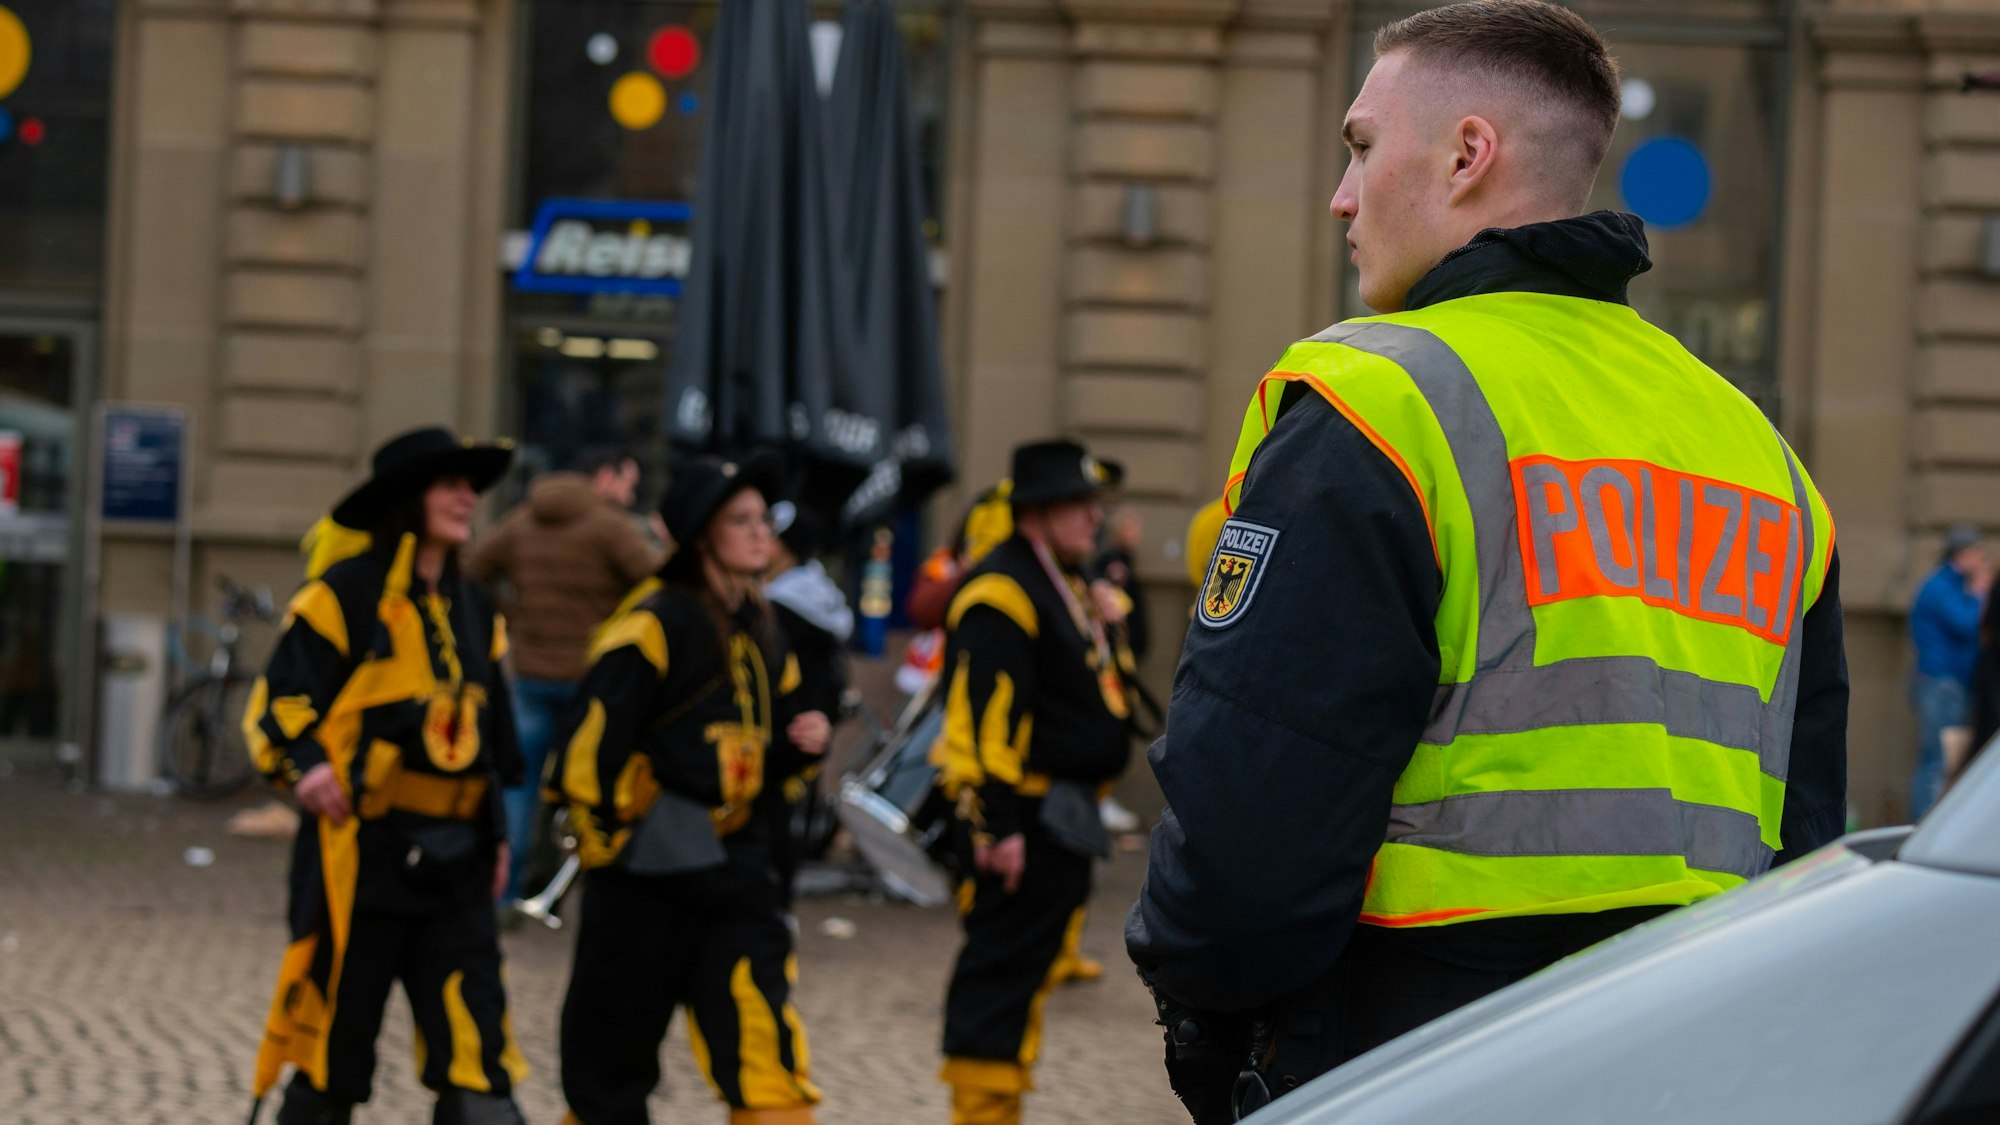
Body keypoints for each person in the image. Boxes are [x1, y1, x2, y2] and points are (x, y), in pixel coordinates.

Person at [1125, 3, 1850, 1120]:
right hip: (1688, 1056)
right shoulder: (1757, 453)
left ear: (1466, 155)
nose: (1340, 196)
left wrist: (1217, 1038)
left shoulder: (1376, 403)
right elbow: (1807, 838)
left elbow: (1250, 827)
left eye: (1361, 148)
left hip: (1415, 1049)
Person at [242, 426, 530, 1125]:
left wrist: (496, 838)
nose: (468, 497)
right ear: (407, 497)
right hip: (358, 860)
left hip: (457, 868)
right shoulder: (342, 595)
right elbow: (277, 707)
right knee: (330, 1063)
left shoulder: (477, 606)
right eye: (448, 483)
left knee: (479, 1067)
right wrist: (307, 769)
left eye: (472, 485)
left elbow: (491, 743)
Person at [549, 452, 831, 1125]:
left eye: (764, 519)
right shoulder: (651, 622)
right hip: (646, 879)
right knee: (609, 1071)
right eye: (741, 520)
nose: (762, 532)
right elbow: (587, 748)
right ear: (703, 533)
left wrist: (803, 741)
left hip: (735, 876)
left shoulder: (764, 629)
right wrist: (608, 844)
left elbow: (776, 742)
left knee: (765, 1058)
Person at [934, 439, 1137, 1125]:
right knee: (999, 981)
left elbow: (1105, 697)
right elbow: (978, 723)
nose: (1094, 518)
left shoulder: (1062, 583)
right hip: (1024, 816)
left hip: (1057, 816)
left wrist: (1114, 629)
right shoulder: (1002, 590)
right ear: (1038, 511)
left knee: (1023, 980)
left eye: (1095, 504)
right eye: (1079, 504)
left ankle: (1001, 1109)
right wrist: (995, 824)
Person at [464, 448, 666, 904]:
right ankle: (586, 893)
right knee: (591, 789)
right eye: (628, 483)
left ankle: (504, 896)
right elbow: (659, 581)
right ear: (605, 477)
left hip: (531, 674)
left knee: (519, 787)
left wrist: (511, 613)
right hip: (591, 680)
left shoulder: (522, 519)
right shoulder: (610, 526)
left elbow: (472, 568)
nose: (630, 495)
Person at [765, 499, 855, 887]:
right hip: (815, 713)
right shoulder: (817, 591)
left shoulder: (784, 603)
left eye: (769, 531)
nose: (760, 537)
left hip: (797, 718)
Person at [1908, 523, 1988, 818]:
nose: (1981, 562)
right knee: (1937, 762)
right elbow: (1967, 624)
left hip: (1948, 683)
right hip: (1940, 683)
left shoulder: (1948, 586)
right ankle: (1922, 829)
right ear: (1963, 555)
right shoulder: (1939, 586)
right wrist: (1980, 593)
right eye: (1978, 554)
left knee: (1943, 760)